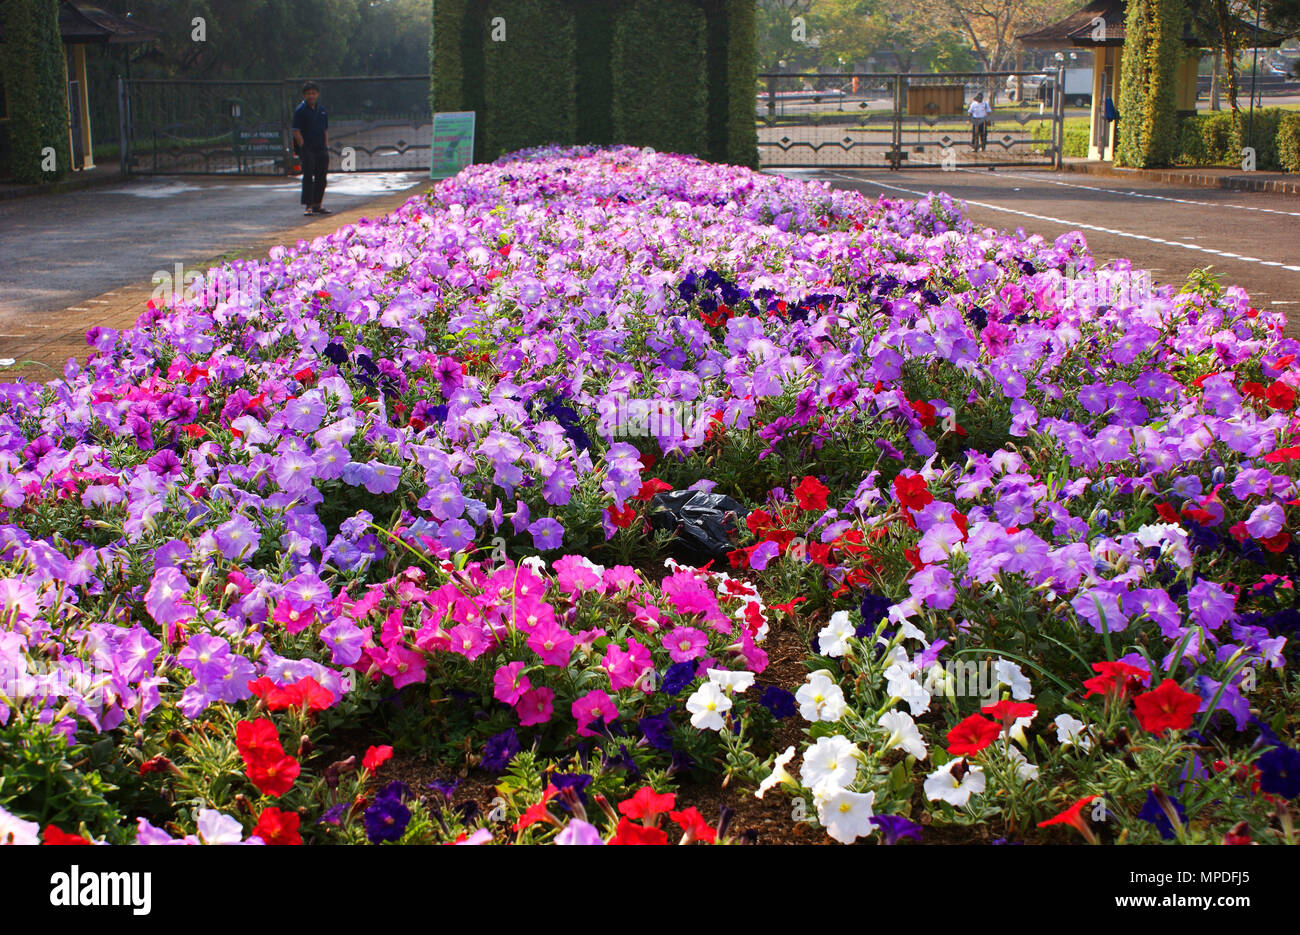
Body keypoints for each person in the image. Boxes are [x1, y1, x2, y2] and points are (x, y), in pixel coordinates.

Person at [292, 81, 330, 216]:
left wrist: (325, 146)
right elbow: (296, 131)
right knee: (308, 176)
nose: (311, 96)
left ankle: (317, 204)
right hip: (308, 148)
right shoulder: (300, 111)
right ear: (304, 95)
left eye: (313, 93)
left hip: (321, 148)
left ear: (317, 94)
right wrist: (303, 146)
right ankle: (308, 205)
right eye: (308, 94)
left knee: (322, 176)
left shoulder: (322, 110)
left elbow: (325, 129)